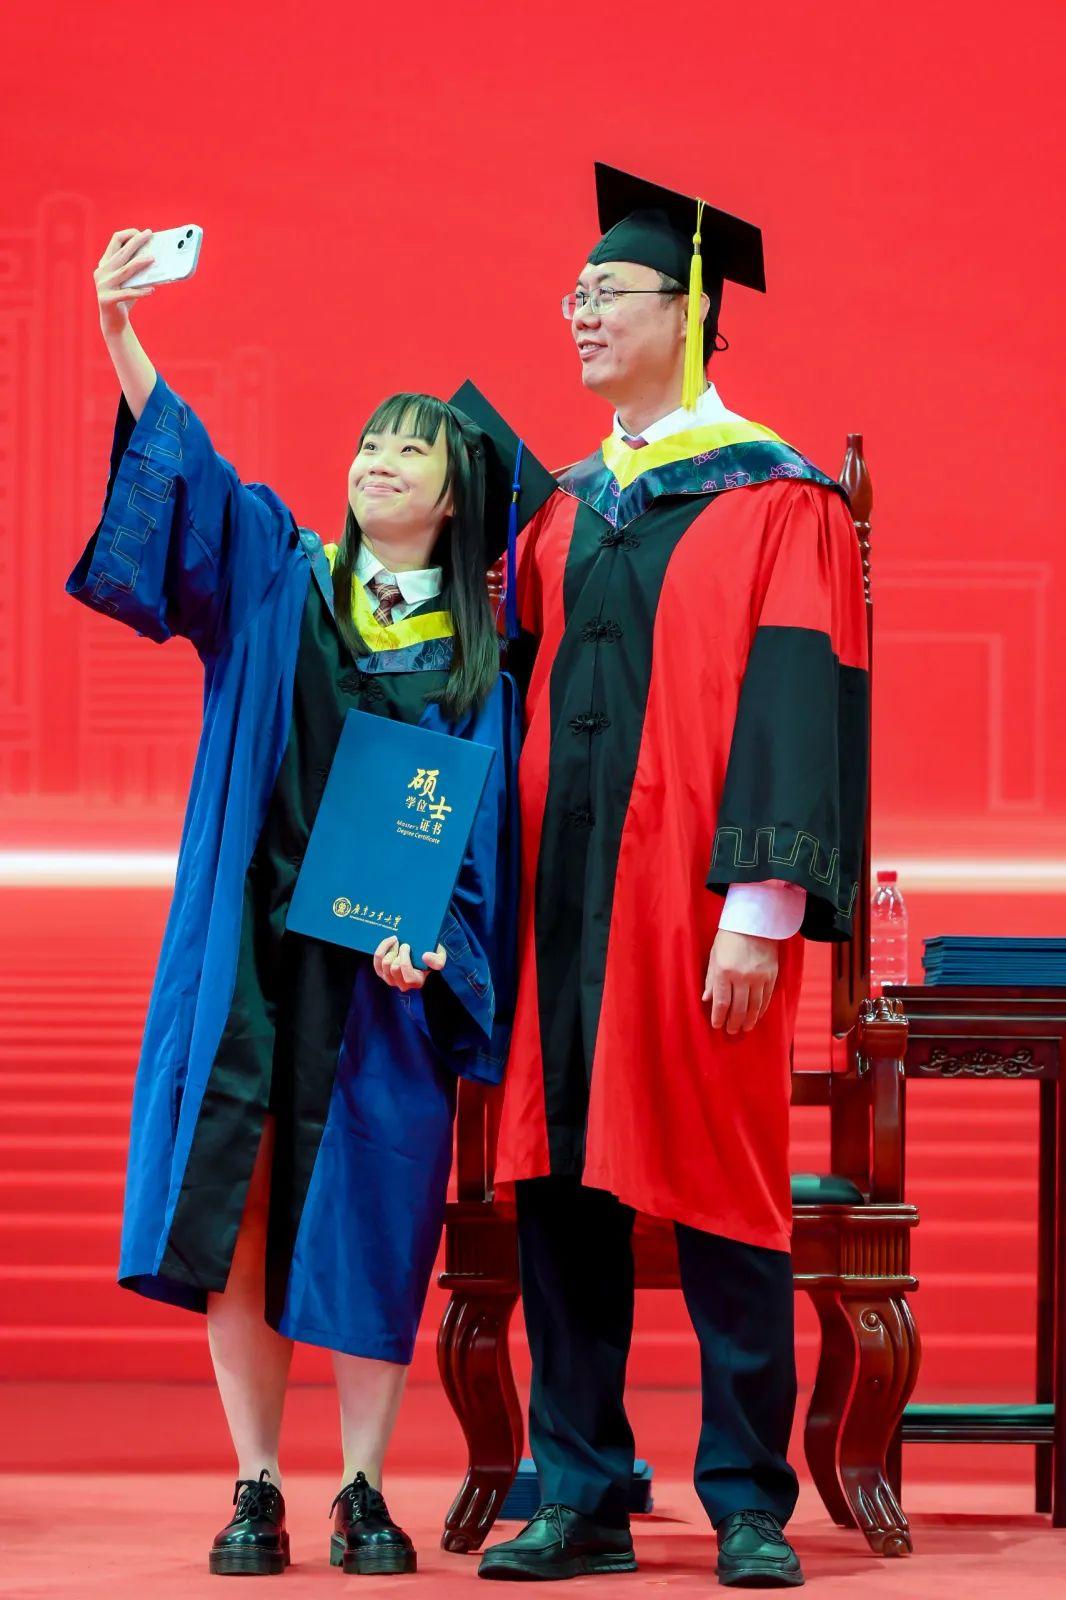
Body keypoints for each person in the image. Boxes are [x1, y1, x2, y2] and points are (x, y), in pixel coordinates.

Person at [69, 228, 550, 1578]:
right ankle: (256, 1481)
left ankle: (362, 1488)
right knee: (240, 1210)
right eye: (370, 442)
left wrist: (434, 950)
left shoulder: (476, 666)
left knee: (374, 1221)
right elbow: (193, 475)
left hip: (377, 988)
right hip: (251, 961)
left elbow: (476, 844)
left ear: (456, 499)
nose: (378, 459)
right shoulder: (282, 578)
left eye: (412, 449)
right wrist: (120, 333)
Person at [478, 166, 870, 1589]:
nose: (580, 313)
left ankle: (748, 1498)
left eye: (608, 293)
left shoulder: (778, 498)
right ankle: (579, 1491)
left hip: (698, 903)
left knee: (720, 1180)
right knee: (559, 1182)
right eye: (573, 294)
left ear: (690, 308)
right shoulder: (562, 509)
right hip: (558, 899)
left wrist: (763, 908)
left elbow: (795, 697)